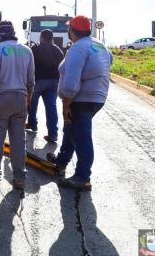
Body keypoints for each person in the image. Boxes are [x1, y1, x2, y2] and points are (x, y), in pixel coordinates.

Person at [46, 15, 113, 191]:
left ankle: (83, 177)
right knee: (70, 129)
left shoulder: (78, 48)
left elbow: (71, 81)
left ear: (72, 31)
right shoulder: (99, 45)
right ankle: (61, 161)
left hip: (81, 99)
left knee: (82, 137)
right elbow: (109, 61)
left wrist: (66, 104)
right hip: (97, 97)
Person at [0, 21, 35, 190]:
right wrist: (28, 100)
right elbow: (31, 80)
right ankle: (19, 178)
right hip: (21, 98)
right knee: (18, 141)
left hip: (1, 98)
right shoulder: (27, 50)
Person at [27, 29, 65, 142]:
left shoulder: (35, 48)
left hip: (38, 81)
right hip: (54, 82)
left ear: (41, 37)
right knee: (51, 107)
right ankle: (53, 134)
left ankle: (33, 124)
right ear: (52, 38)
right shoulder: (58, 50)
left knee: (32, 103)